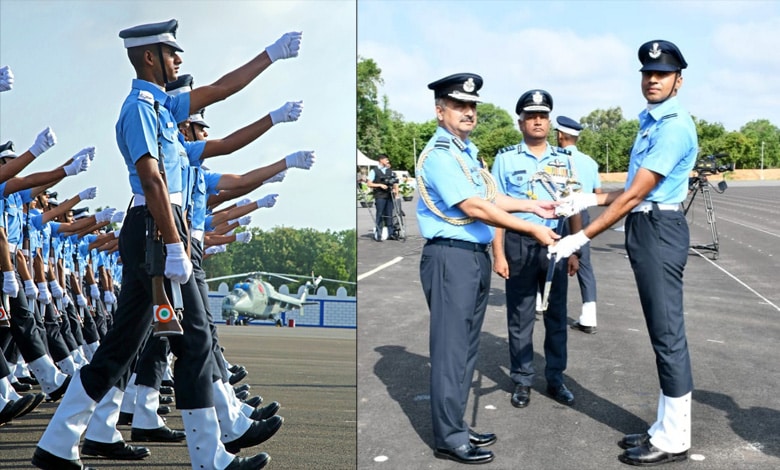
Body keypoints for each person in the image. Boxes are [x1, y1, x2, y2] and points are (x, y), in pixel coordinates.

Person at [33, 19, 301, 470]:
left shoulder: (162, 107)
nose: (180, 59)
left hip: (157, 227)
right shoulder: (138, 108)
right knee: (194, 341)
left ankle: (58, 444)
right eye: (172, 52)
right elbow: (152, 178)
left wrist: (270, 55)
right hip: (157, 228)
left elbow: (218, 89)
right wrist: (175, 245)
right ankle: (208, 458)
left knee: (121, 348)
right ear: (150, 57)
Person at [552, 40, 696, 466]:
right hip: (647, 225)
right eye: (647, 73)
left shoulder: (672, 125)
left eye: (662, 74)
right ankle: (663, 427)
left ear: (678, 81)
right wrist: (589, 196)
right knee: (660, 330)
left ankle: (675, 438)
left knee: (667, 333)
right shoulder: (651, 121)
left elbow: (636, 194)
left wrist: (582, 237)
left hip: (658, 228)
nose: (652, 79)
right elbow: (630, 189)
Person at [416, 73, 559, 465]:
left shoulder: (466, 151)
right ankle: (449, 437)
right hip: (450, 256)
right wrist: (531, 228)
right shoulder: (441, 154)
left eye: (472, 106)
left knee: (466, 351)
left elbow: (492, 196)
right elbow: (475, 207)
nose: (468, 112)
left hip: (471, 257)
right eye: (459, 105)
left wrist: (533, 206)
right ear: (439, 110)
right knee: (450, 351)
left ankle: (457, 425)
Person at [491, 90, 582, 411]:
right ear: (521, 123)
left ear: (549, 121)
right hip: (518, 244)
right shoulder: (505, 159)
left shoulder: (564, 160)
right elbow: (496, 211)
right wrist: (498, 253)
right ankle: (522, 379)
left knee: (556, 315)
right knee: (520, 315)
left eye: (543, 116)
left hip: (556, 244)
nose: (538, 121)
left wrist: (575, 249)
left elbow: (573, 207)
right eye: (531, 116)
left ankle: (556, 378)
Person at [554, 115, 602, 334]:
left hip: (557, 212)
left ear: (561, 135)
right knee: (584, 263)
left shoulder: (554, 157)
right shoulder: (590, 162)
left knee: (550, 257)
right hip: (581, 215)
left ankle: (543, 303)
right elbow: (598, 194)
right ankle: (589, 316)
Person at [366, 154, 397, 241]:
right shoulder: (374, 171)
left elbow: (394, 182)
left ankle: (391, 234)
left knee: (389, 214)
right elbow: (369, 183)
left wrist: (395, 190)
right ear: (381, 160)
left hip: (389, 195)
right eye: (386, 159)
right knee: (380, 214)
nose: (387, 161)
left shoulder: (389, 171)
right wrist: (379, 185)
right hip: (379, 195)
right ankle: (378, 234)